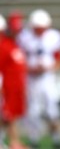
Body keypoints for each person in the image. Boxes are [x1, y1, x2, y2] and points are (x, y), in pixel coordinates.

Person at [18, 9, 60, 149]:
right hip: (31, 78)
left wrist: (48, 68)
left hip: (47, 78)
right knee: (33, 112)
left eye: (42, 28)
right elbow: (19, 60)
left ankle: (57, 140)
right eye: (37, 29)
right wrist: (30, 69)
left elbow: (59, 60)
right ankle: (34, 140)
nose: (39, 32)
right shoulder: (24, 37)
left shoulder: (53, 36)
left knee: (52, 109)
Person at [0, 12, 28, 149]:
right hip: (7, 87)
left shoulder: (15, 44)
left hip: (16, 88)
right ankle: (13, 142)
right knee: (8, 116)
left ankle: (12, 141)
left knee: (11, 116)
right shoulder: (4, 45)